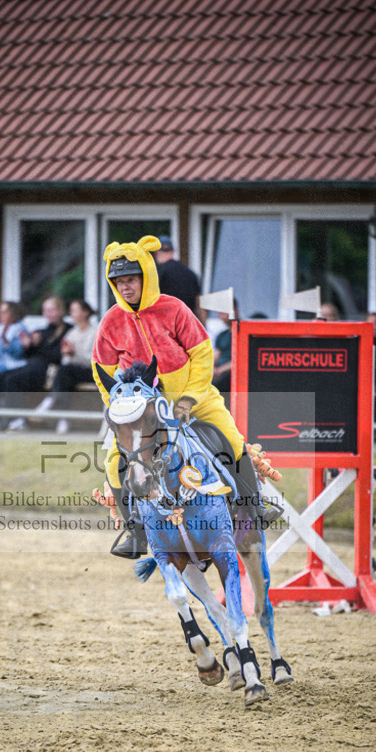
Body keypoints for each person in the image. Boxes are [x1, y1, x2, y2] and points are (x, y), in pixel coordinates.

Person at [92, 235, 276, 559]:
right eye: (118, 282)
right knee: (111, 464)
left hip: (195, 397)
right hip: (140, 411)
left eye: (131, 279)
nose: (125, 287)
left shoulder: (174, 308)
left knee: (232, 441)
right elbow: (101, 371)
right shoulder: (110, 321)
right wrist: (118, 408)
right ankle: (135, 532)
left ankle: (254, 507)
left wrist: (189, 399)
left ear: (146, 276)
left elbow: (203, 355)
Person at [0, 295, 70, 430]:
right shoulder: (41, 331)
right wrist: (29, 346)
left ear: (61, 311)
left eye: (52, 310)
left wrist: (38, 345)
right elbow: (30, 355)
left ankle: (18, 419)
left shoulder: (67, 330)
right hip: (31, 366)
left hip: (47, 371)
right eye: (45, 311)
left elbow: (57, 356)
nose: (48, 314)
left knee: (11, 380)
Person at [32, 299, 97, 434]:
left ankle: (51, 401)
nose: (71, 314)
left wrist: (74, 353)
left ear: (85, 312)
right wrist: (68, 354)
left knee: (65, 372)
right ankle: (63, 419)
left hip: (92, 372)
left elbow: (93, 360)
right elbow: (66, 360)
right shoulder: (72, 333)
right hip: (73, 372)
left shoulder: (94, 332)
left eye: (74, 311)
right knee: (65, 378)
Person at [153, 235, 203, 321]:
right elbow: (199, 305)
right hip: (187, 322)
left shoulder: (158, 273)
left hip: (166, 322)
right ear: (173, 251)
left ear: (157, 253)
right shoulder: (190, 273)